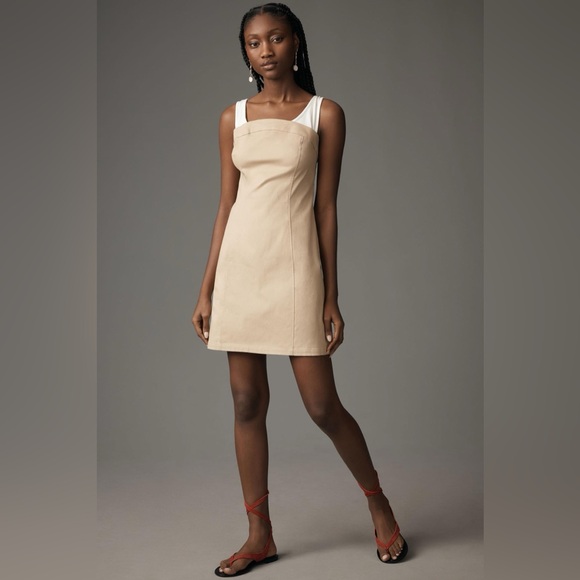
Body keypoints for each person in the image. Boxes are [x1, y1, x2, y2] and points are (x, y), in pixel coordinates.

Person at [191, 3, 409, 576]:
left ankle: (379, 504)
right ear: (245, 52)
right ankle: (258, 534)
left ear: (295, 43)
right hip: (240, 271)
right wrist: (206, 288)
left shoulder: (324, 114)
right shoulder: (233, 117)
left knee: (321, 406)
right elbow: (225, 206)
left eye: (276, 38)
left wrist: (331, 295)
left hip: (294, 271)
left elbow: (326, 208)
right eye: (253, 42)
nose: (265, 50)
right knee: (246, 402)